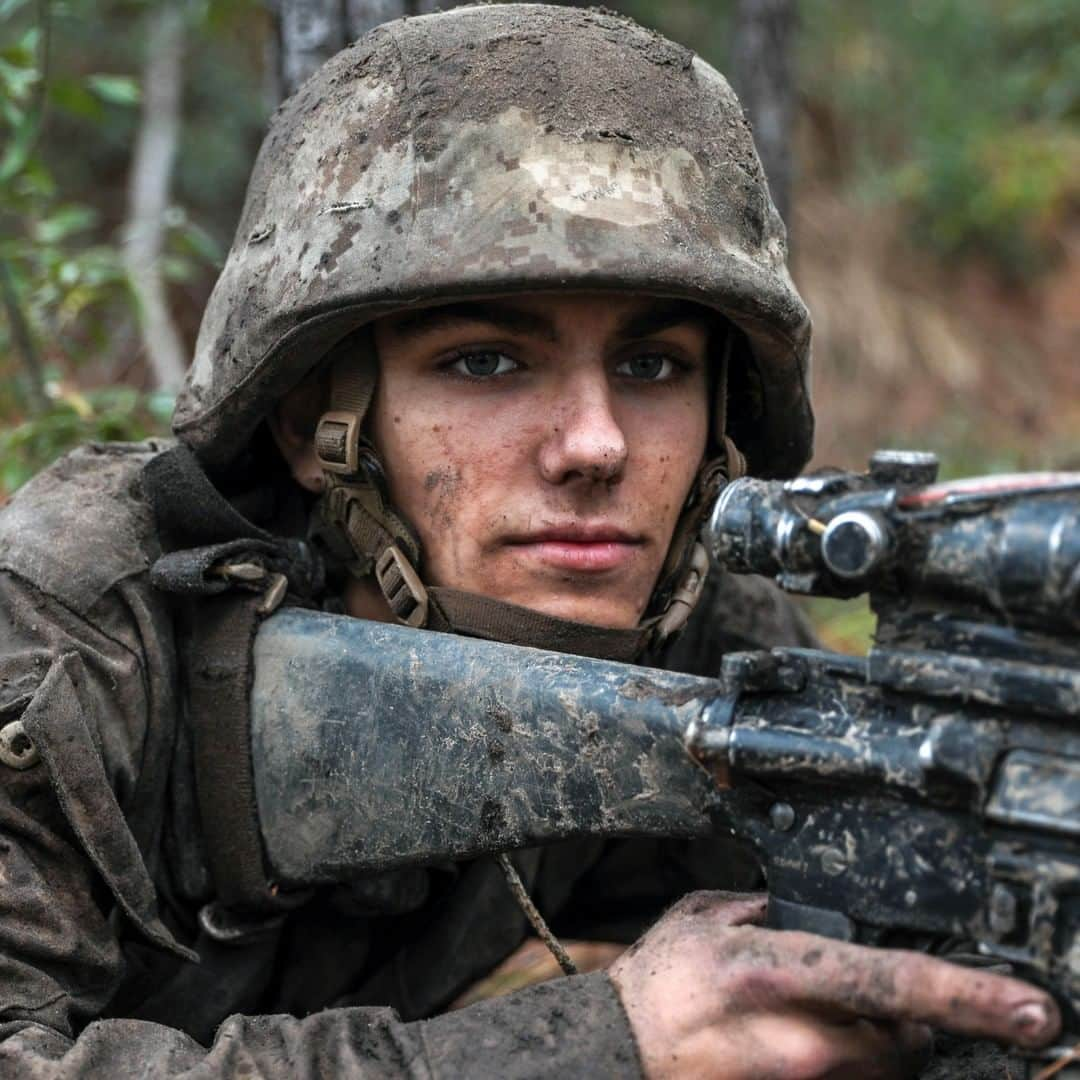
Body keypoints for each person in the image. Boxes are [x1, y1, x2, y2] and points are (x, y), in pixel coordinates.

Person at [0, 5, 1060, 1077]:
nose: (596, 447)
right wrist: (603, 1041)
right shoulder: (75, 632)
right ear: (315, 426)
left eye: (652, 370)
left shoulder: (686, 639)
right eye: (487, 363)